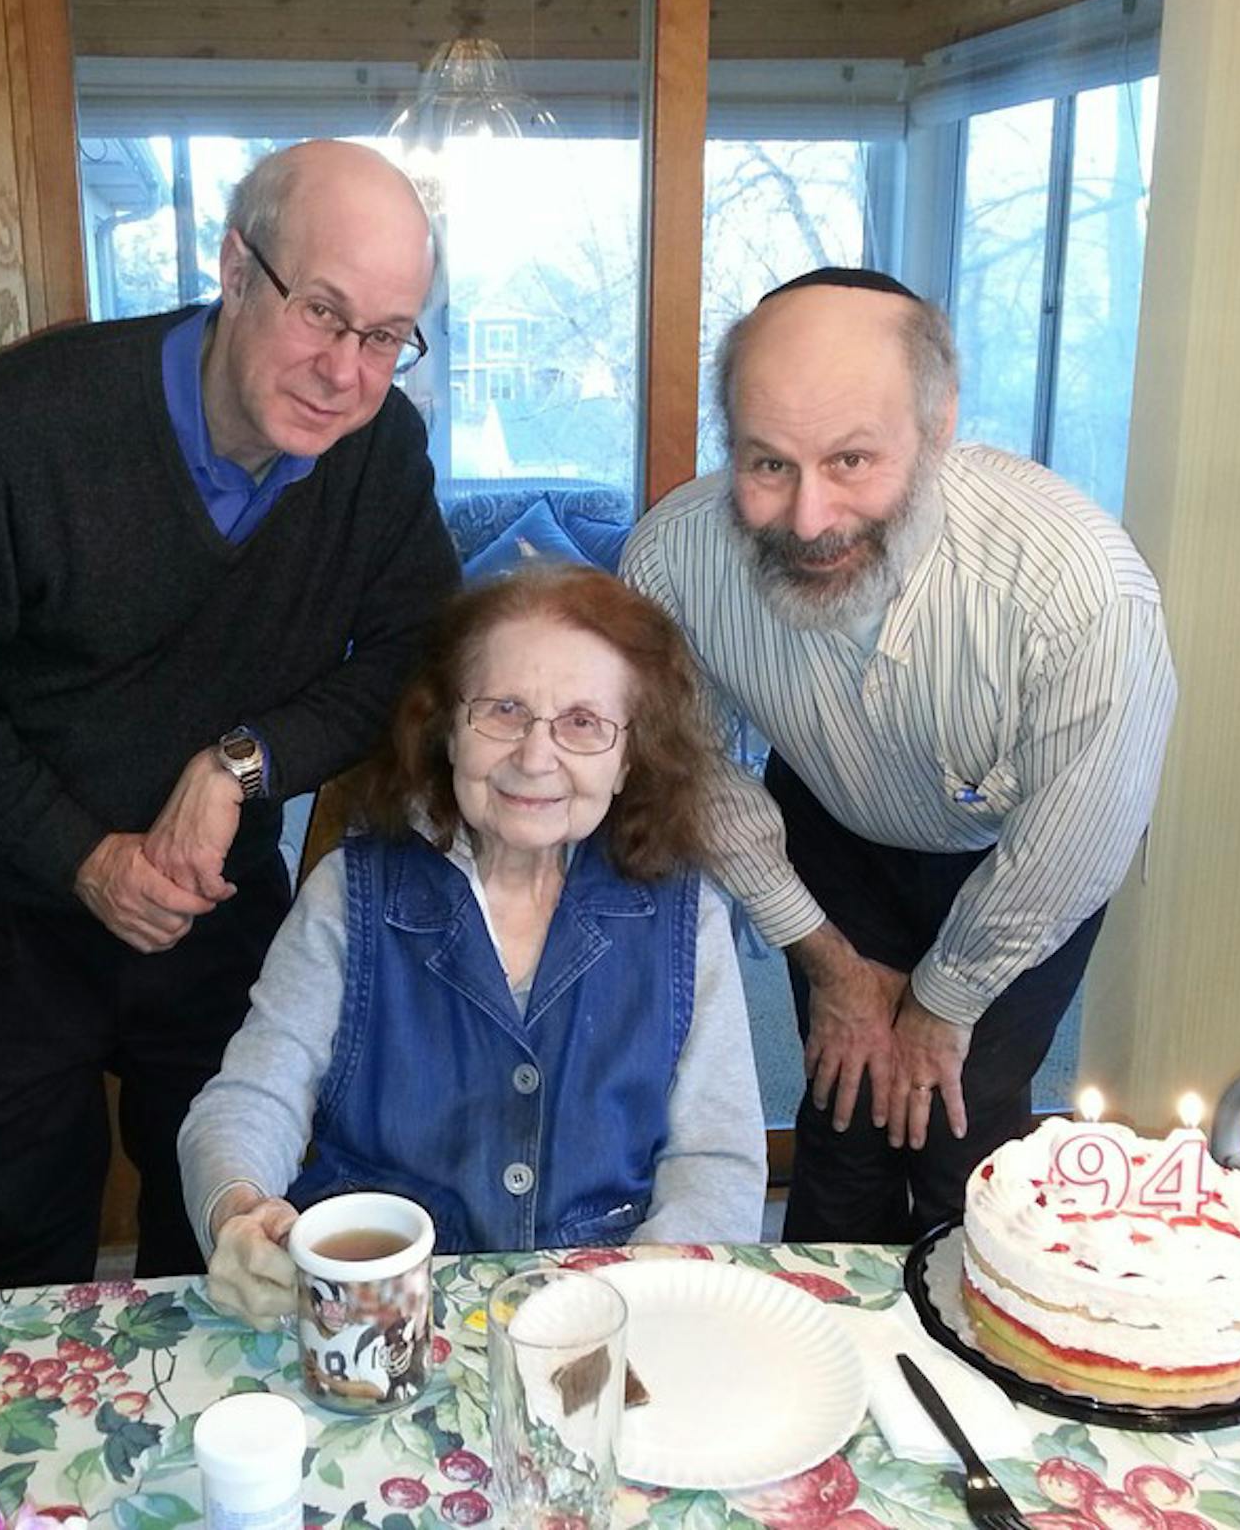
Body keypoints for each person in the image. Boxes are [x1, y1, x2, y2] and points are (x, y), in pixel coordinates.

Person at [0, 141, 460, 1288]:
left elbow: (413, 657)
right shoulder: (19, 426)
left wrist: (243, 762)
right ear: (235, 269)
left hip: (214, 908)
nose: (345, 371)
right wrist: (82, 858)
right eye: (322, 311)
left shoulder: (378, 454)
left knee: (236, 1259)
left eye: (386, 336)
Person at [621, 267, 1177, 1244]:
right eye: (768, 464)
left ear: (938, 422)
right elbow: (690, 767)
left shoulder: (1081, 587)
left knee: (959, 1121)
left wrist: (942, 1002)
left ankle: (972, 1327)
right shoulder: (672, 559)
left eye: (851, 459)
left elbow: (1073, 842)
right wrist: (826, 959)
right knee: (843, 1108)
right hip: (828, 820)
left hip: (1016, 856)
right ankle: (822, 1332)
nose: (809, 519)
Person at [181, 566, 767, 1327]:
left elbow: (715, 1160)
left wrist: (640, 1306)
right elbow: (251, 1098)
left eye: (583, 722)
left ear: (629, 758)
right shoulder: (347, 897)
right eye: (504, 710)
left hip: (606, 1316)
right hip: (375, 1315)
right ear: (447, 728)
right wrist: (237, 1211)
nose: (535, 756)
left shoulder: (689, 916)